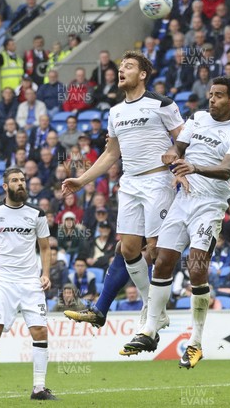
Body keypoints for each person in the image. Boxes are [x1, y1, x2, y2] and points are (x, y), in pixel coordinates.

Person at [121, 76, 230, 370]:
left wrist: (194, 166)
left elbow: (227, 169)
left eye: (218, 95)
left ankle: (196, 342)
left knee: (196, 265)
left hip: (209, 205)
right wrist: (174, 163)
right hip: (183, 199)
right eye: (210, 94)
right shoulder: (198, 118)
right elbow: (176, 151)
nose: (212, 99)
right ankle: (149, 331)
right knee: (162, 259)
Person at [62, 51, 183, 331]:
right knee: (128, 248)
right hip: (129, 183)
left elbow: (183, 137)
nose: (121, 70)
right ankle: (152, 306)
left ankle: (154, 311)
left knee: (153, 250)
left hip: (157, 181)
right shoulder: (115, 112)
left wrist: (178, 158)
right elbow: (110, 154)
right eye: (120, 66)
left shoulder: (162, 104)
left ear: (142, 74)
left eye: (128, 66)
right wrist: (82, 180)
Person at [0, 168, 56, 401]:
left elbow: (45, 248)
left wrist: (45, 274)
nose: (20, 184)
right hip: (2, 281)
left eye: (23, 180)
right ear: (5, 186)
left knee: (40, 331)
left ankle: (39, 388)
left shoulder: (37, 213)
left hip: (30, 281)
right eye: (15, 180)